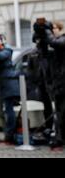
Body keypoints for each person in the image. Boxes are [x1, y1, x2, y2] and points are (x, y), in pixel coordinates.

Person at [0, 34, 20, 145]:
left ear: (3, 41)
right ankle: (8, 133)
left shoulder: (7, 50)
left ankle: (10, 134)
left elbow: (0, 57)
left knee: (9, 109)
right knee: (6, 109)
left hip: (9, 84)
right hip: (4, 84)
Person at [46, 21, 65, 151]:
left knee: (62, 113)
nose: (52, 31)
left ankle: (61, 139)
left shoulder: (62, 40)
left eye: (53, 28)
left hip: (63, 82)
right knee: (59, 112)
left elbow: (55, 43)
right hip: (58, 82)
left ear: (60, 29)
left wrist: (46, 31)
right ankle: (60, 138)